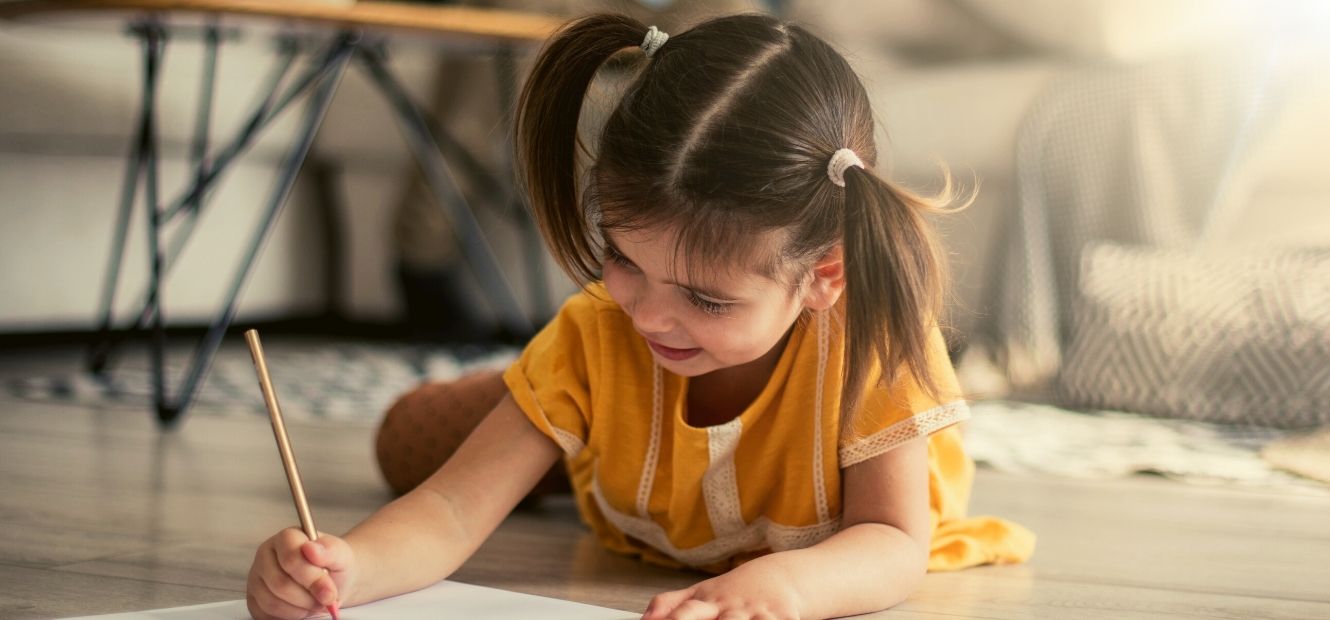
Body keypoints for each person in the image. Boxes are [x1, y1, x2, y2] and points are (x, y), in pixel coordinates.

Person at [246, 13, 1035, 620]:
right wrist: (342, 566)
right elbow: (450, 510)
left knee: (522, 420)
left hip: (659, 471)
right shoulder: (602, 328)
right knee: (406, 443)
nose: (650, 316)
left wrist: (776, 587)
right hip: (630, 475)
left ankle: (549, 419)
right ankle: (543, 411)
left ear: (822, 275)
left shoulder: (874, 346)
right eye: (623, 259)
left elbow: (895, 545)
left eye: (707, 298)